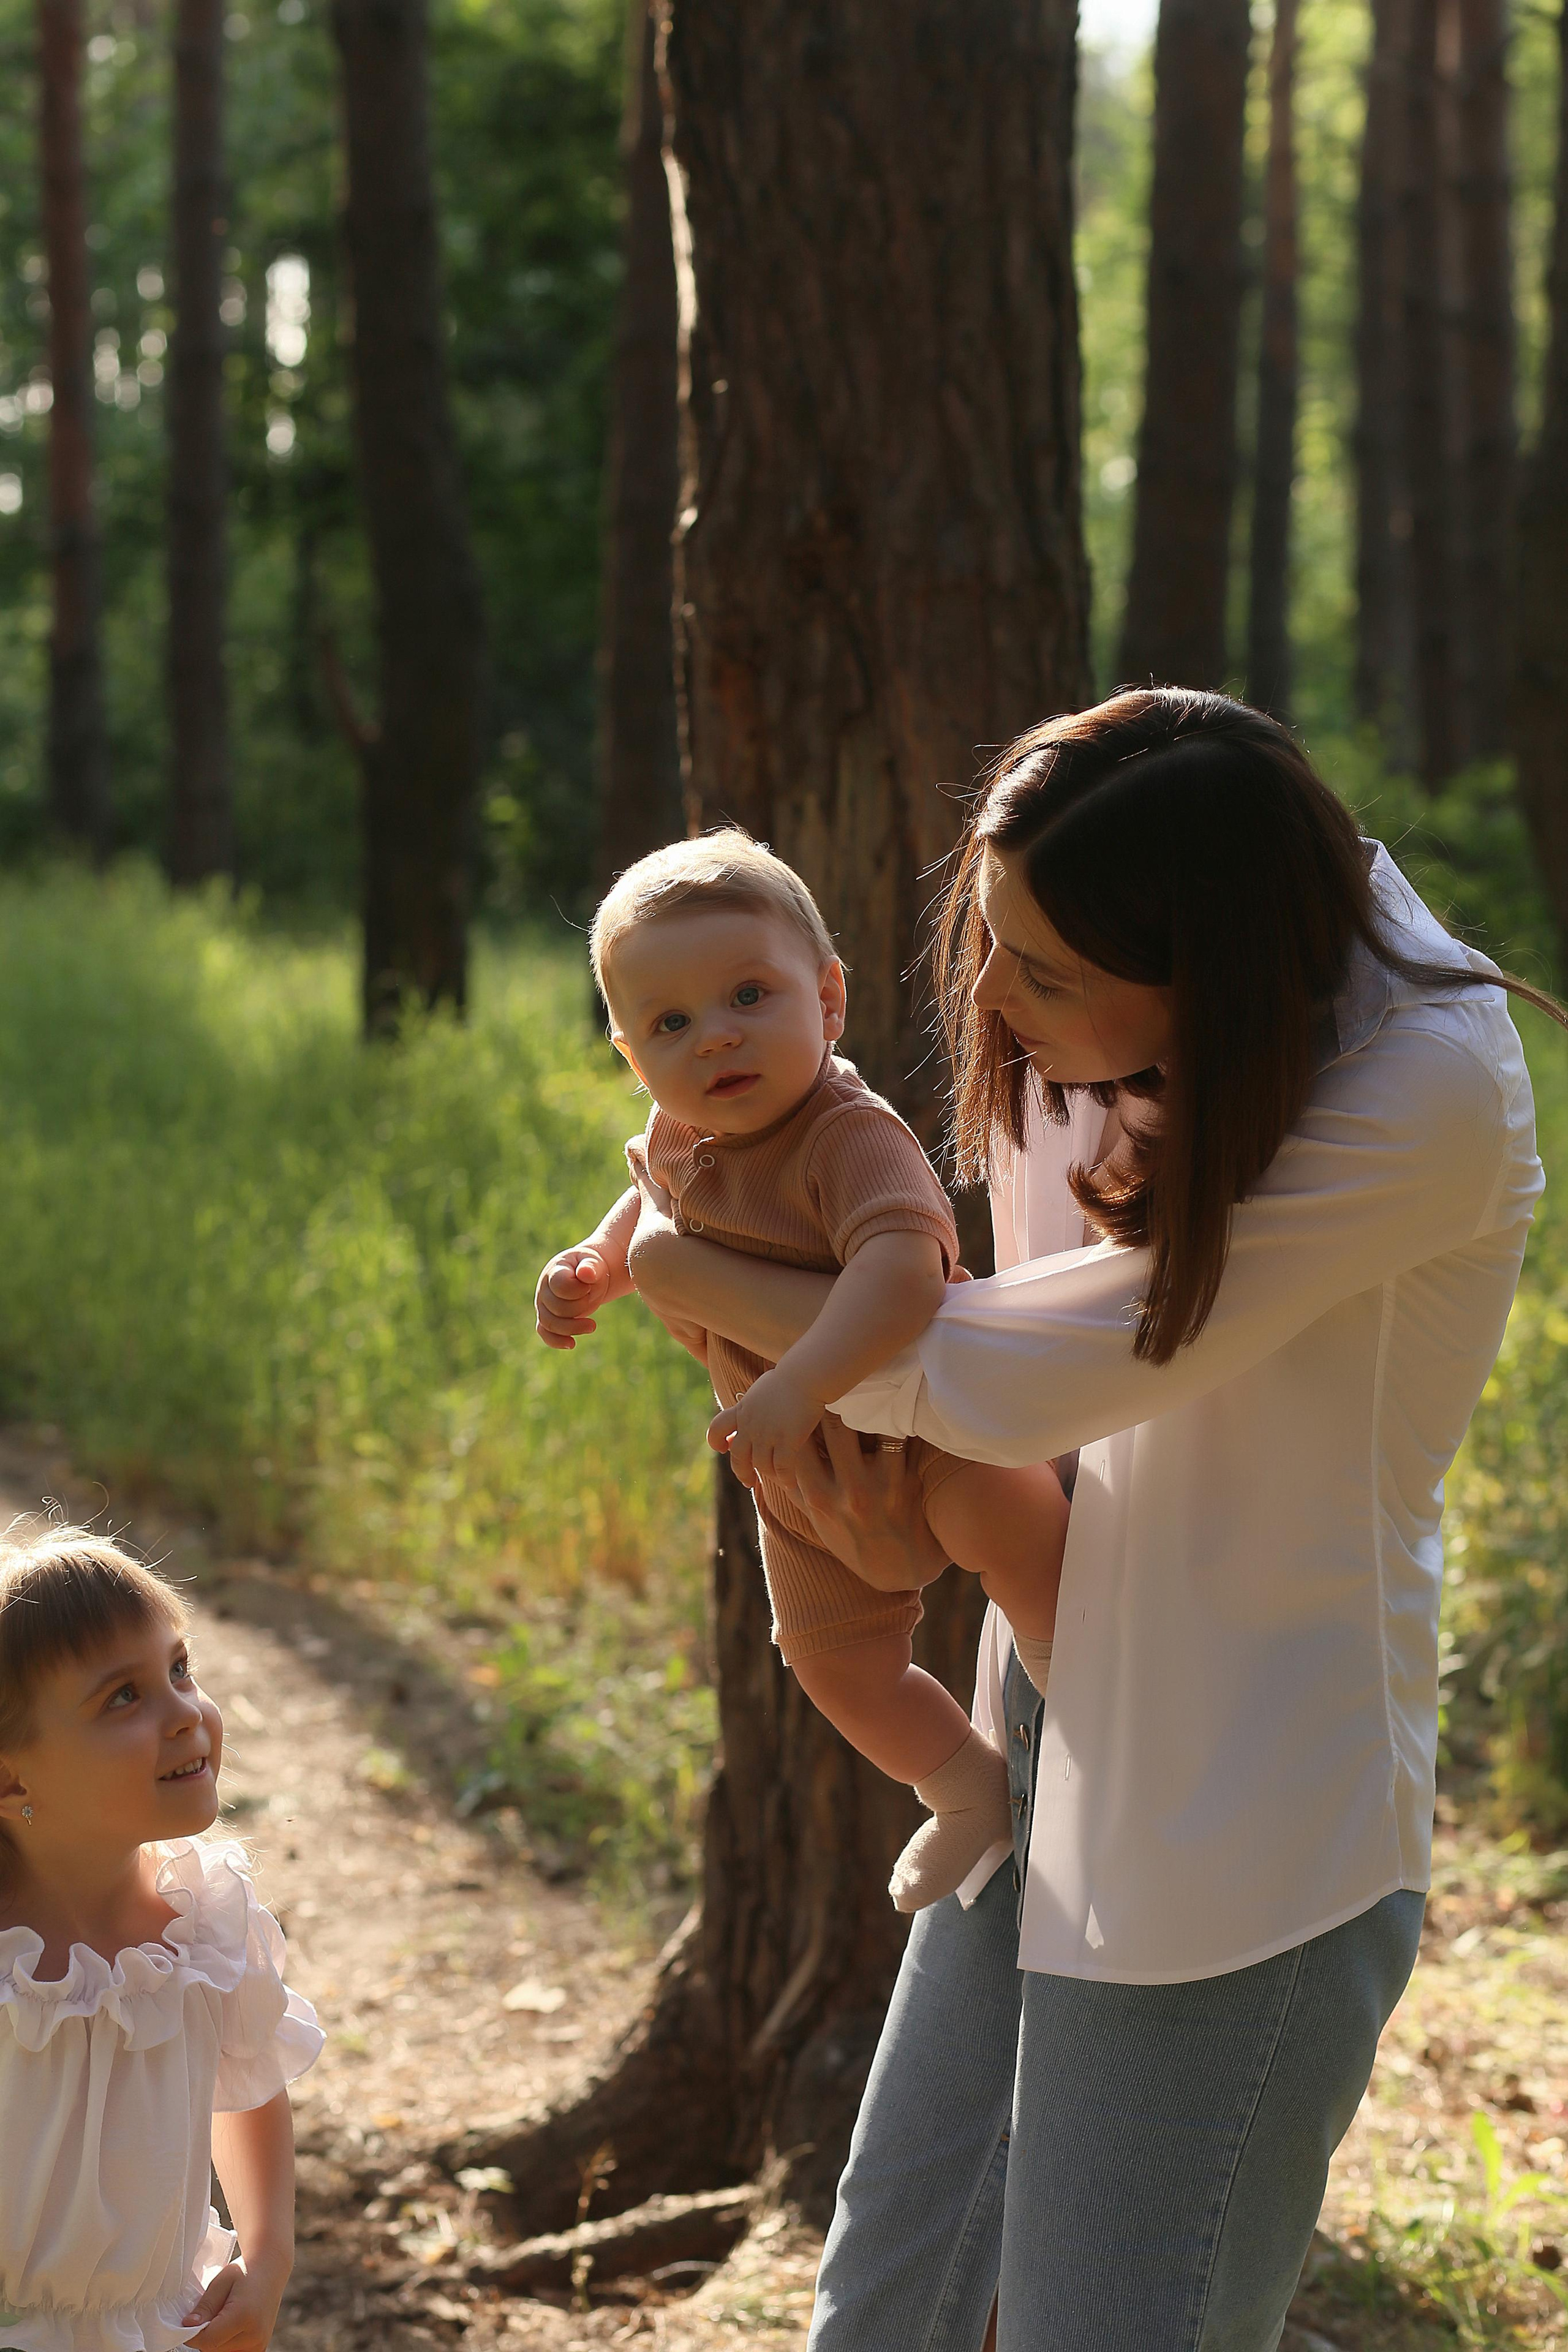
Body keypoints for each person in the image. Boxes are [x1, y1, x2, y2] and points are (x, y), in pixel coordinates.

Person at [625, 690, 1567, 2350]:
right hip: (1048, 1712)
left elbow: (1017, 1370)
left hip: (1243, 1789)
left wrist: (676, 1268)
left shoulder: (1422, 1087)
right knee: (890, 2304)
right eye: (990, 943)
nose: (991, 1000)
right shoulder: (1120, 976)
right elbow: (919, 1318)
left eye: (1042, 975)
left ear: (1209, 960)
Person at [535, 832, 1069, 1909]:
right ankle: (963, 1786)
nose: (714, 1039)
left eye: (748, 995)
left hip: (926, 1429)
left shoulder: (847, 1137)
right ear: (629, 1052)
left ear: (827, 999)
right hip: (797, 1473)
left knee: (1004, 1527)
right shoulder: (683, 1129)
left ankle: (1078, 1674)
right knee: (833, 1663)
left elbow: (905, 1275)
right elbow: (652, 1199)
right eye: (670, 1024)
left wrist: (799, 1382)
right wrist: (599, 1261)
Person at [0, 1525, 323, 2352]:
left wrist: (268, 2259)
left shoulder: (207, 1918)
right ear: (10, 1776)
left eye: (179, 1671)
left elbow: (249, 2085)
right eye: (124, 1697)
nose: (186, 1715)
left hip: (167, 2326)